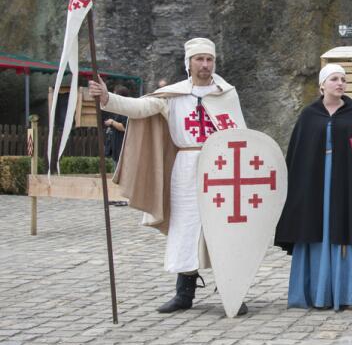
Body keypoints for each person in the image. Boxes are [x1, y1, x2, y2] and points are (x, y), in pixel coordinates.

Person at [88, 38, 248, 314]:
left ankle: (231, 292)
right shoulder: (173, 96)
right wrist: (107, 98)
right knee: (185, 227)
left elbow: (241, 133)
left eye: (209, 59)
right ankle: (184, 293)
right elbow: (139, 108)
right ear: (189, 63)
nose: (205, 65)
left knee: (225, 228)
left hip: (222, 166)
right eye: (199, 59)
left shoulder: (226, 93)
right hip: (186, 166)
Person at [274, 64, 352, 310]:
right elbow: (298, 155)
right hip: (314, 183)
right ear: (322, 85)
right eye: (334, 79)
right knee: (314, 227)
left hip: (346, 182)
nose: (340, 83)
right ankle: (314, 290)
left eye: (343, 80)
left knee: (343, 226)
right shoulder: (308, 115)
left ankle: (343, 291)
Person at [103, 85, 129, 164]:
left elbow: (124, 127)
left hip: (121, 148)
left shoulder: (125, 109)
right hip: (115, 148)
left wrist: (112, 122)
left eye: (115, 94)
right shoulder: (117, 108)